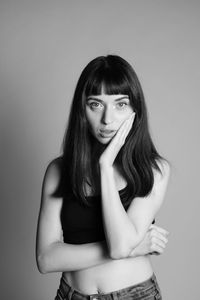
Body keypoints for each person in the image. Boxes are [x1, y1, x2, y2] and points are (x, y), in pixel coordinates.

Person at [36, 55, 170, 300]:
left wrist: (106, 166)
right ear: (82, 109)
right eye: (95, 104)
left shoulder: (153, 170)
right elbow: (46, 259)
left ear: (135, 110)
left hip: (135, 295)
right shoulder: (59, 170)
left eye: (120, 104)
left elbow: (120, 245)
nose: (107, 119)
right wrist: (131, 250)